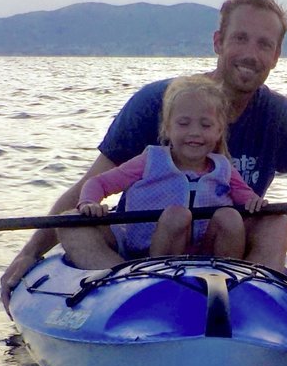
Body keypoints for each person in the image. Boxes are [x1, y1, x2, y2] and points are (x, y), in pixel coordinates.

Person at [0, 0, 287, 305]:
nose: (251, 54)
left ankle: (252, 297)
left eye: (264, 44)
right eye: (240, 39)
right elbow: (90, 184)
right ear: (218, 42)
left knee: (277, 221)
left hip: (224, 242)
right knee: (73, 223)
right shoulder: (157, 103)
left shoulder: (280, 116)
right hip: (144, 242)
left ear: (277, 55)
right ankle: (126, 289)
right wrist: (29, 253)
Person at [76, 75, 263, 260]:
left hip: (204, 256)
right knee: (176, 216)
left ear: (219, 131)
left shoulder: (224, 169)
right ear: (167, 128)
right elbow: (98, 183)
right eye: (183, 124)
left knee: (230, 216)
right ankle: (149, 274)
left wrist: (256, 203)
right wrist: (89, 203)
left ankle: (228, 277)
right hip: (144, 256)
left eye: (206, 125)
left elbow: (249, 200)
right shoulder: (150, 161)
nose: (195, 132)